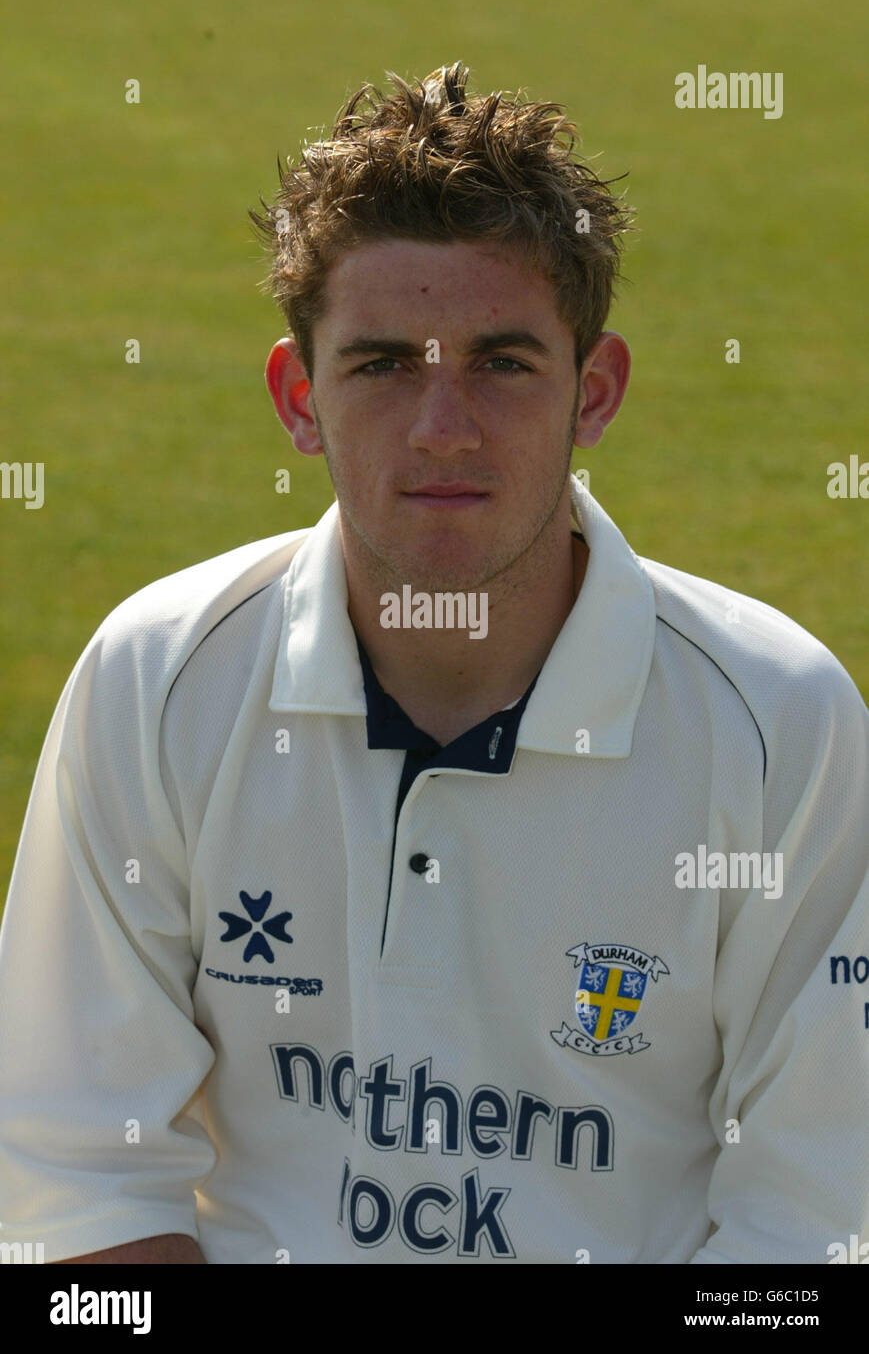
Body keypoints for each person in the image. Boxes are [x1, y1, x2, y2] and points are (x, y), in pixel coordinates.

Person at [1, 62, 867, 1266]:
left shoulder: (783, 724)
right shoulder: (156, 681)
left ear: (594, 391)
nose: (441, 427)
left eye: (501, 362)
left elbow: (815, 1226)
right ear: (299, 396)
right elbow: (75, 1187)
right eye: (383, 364)